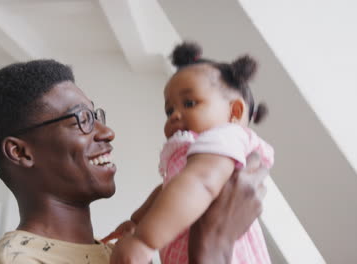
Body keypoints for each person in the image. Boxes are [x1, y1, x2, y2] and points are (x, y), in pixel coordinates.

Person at [0, 59, 269, 264]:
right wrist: (214, 244)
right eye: (81, 119)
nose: (107, 132)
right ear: (21, 152)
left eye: (96, 116)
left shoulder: (114, 253)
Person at [109, 42, 273, 264]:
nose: (175, 115)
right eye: (169, 110)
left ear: (234, 111)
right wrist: (137, 220)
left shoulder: (226, 136)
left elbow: (201, 182)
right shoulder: (196, 156)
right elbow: (167, 189)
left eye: (189, 103)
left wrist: (143, 241)